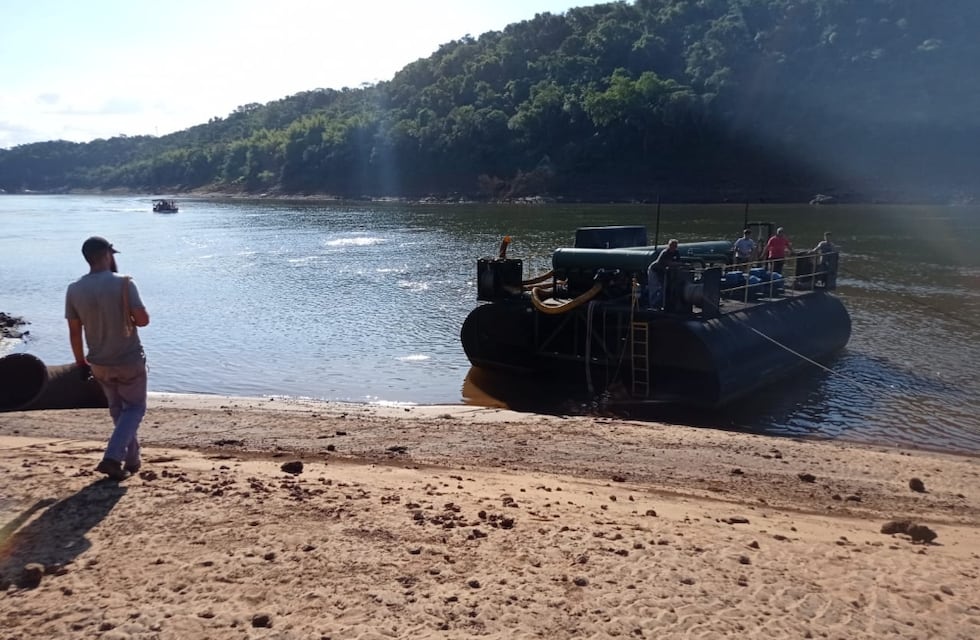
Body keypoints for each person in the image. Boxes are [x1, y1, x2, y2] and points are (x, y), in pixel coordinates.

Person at [65, 237, 150, 481]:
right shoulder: (124, 283)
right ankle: (112, 457)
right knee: (134, 408)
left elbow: (74, 332)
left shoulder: (74, 289)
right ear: (107, 255)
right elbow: (143, 320)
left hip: (99, 362)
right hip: (128, 359)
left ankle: (132, 460)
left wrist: (80, 362)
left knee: (118, 410)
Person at [647, 238, 681, 308]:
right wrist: (674, 263)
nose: (673, 248)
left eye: (675, 246)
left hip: (663, 272)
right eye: (672, 246)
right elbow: (664, 263)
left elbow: (678, 262)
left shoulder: (676, 253)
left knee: (664, 288)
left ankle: (662, 304)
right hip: (654, 270)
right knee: (654, 287)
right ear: (669, 246)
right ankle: (653, 305)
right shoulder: (665, 252)